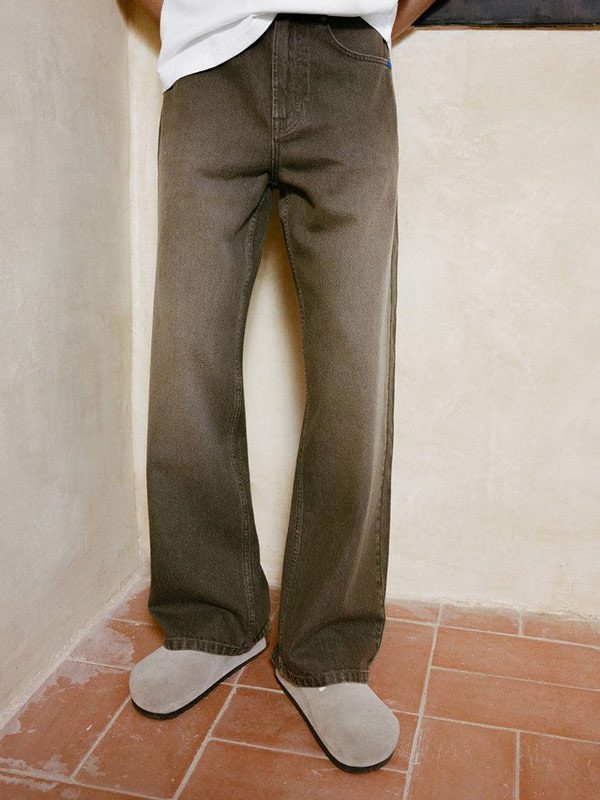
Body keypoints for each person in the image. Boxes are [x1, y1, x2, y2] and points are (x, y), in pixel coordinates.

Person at [130, 0, 436, 773]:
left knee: (354, 369)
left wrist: (376, 21)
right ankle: (209, 620)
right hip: (205, 71)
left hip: (348, 67)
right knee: (187, 355)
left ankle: (327, 651)